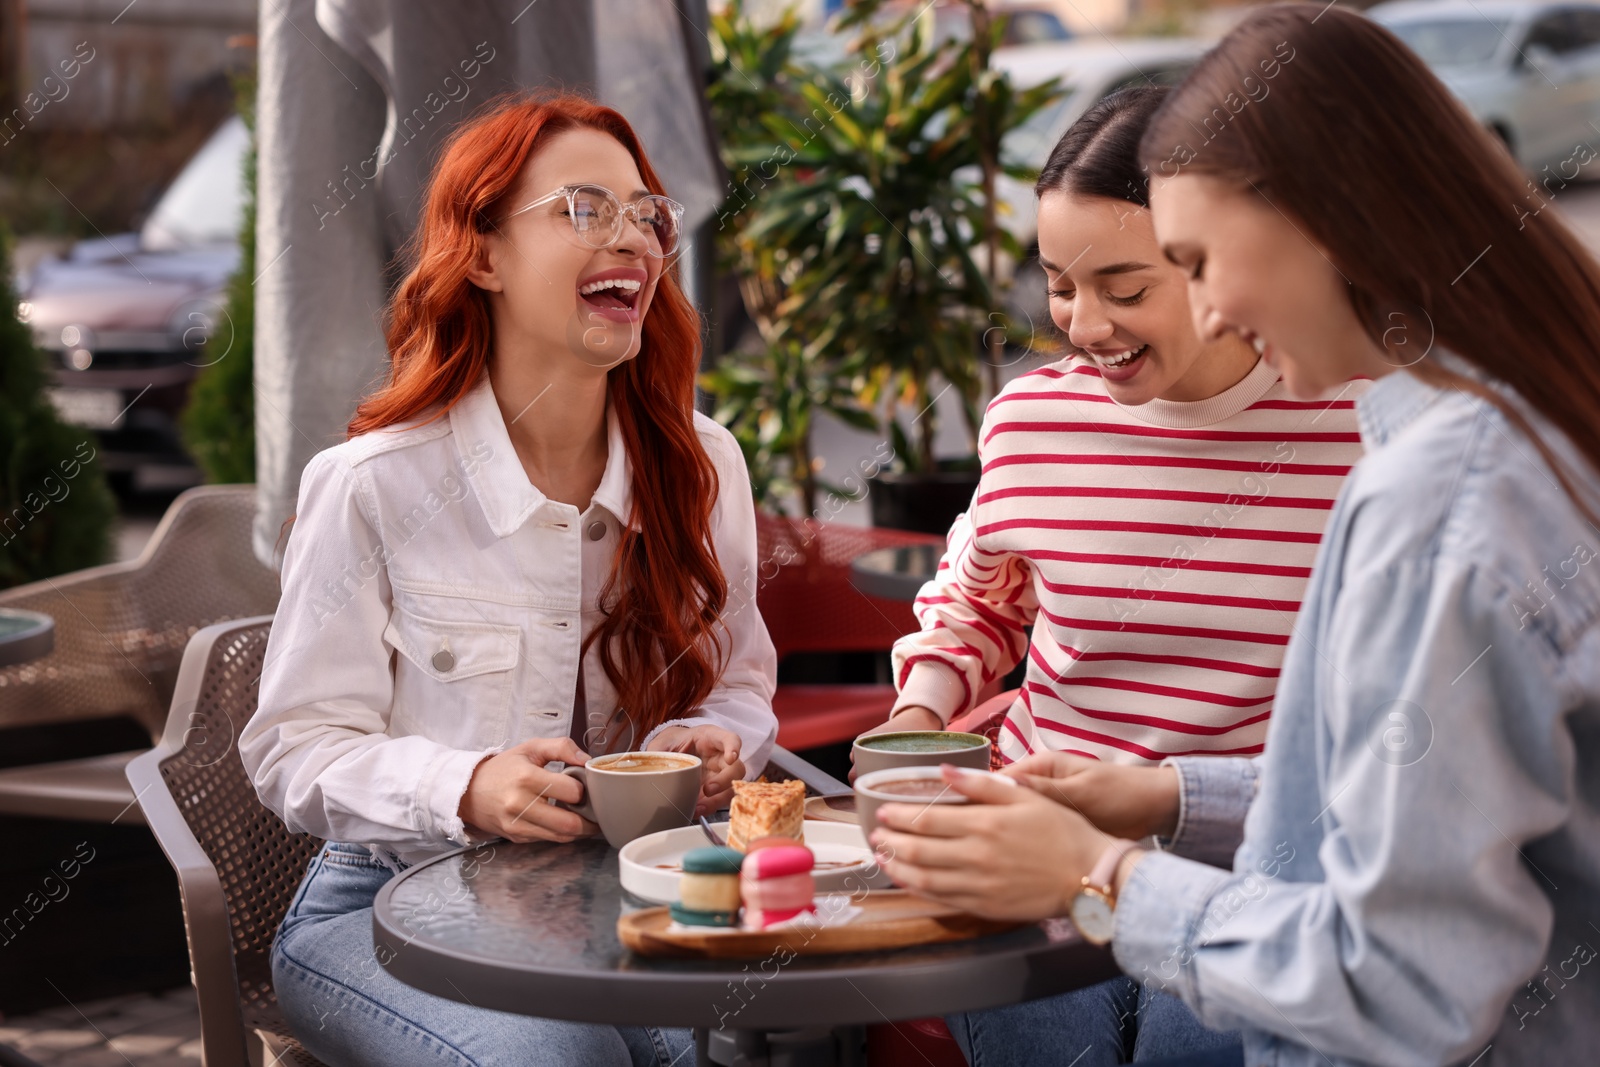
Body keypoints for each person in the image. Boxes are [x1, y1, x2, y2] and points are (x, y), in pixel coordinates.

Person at [869, 6, 1600, 1066]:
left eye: (1188, 262)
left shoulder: (1433, 496)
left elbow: (1393, 973)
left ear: (1322, 218)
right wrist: (1158, 799)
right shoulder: (1521, 429)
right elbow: (1403, 794)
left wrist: (1101, 871)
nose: (1208, 315)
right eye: (1064, 286)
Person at [239, 93, 778, 1067]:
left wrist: (713, 736)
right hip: (388, 902)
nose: (632, 237)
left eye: (645, 212)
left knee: (728, 1045)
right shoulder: (370, 485)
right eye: (583, 208)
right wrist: (467, 784)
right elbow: (293, 748)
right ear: (482, 254)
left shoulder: (704, 463)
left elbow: (738, 681)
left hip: (628, 891)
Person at [858, 86, 1366, 1063]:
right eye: (1059, 283)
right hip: (1030, 840)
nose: (1083, 324)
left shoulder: (1351, 423)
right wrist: (918, 713)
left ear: (1218, 261)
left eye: (1125, 287)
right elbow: (978, 599)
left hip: (1258, 861)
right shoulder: (1029, 420)